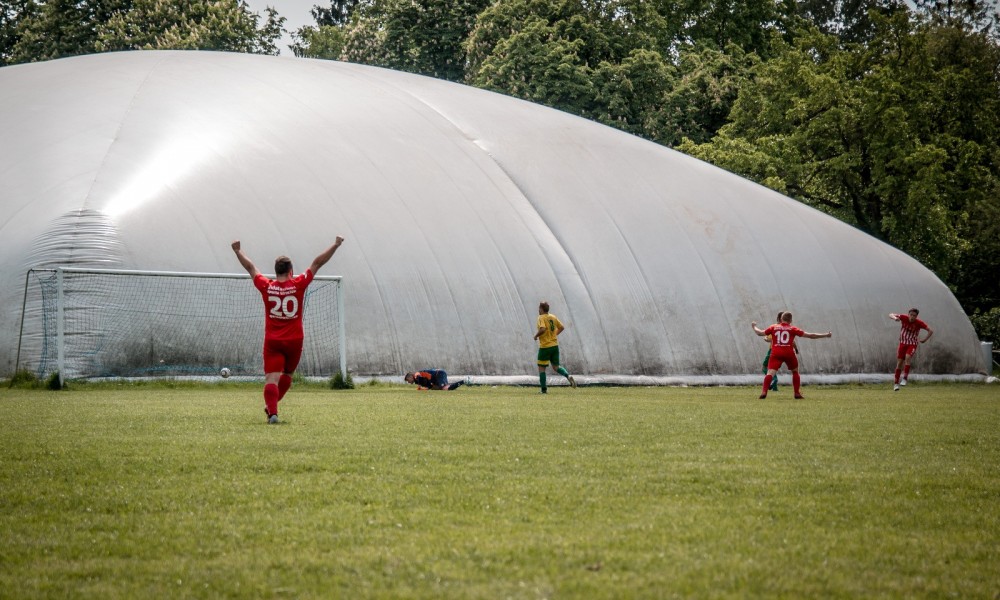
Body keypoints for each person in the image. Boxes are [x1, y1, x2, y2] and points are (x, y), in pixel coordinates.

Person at [232, 236, 345, 423]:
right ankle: (271, 407)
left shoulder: (267, 287)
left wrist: (238, 251)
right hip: (295, 340)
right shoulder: (298, 283)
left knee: (271, 379)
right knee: (288, 375)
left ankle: (273, 412)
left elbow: (251, 268)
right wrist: (336, 245)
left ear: (276, 271)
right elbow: (318, 262)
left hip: (273, 341)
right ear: (291, 271)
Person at [751, 312, 831, 400]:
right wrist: (826, 335)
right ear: (791, 320)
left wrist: (754, 326)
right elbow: (810, 335)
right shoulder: (792, 328)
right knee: (795, 372)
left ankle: (764, 391)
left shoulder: (773, 327)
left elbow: (760, 333)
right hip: (789, 353)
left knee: (770, 373)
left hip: (776, 353)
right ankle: (797, 393)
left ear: (781, 319)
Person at [534, 301, 576, 394]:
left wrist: (536, 336)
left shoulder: (541, 317)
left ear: (541, 309)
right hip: (554, 346)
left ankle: (543, 390)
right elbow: (561, 327)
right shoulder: (553, 317)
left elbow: (543, 328)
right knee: (556, 367)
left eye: (539, 308)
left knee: (541, 368)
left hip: (545, 347)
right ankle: (568, 376)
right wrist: (554, 335)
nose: (538, 310)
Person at [889, 308, 933, 391]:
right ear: (908, 314)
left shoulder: (919, 323)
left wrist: (925, 339)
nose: (912, 317)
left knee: (908, 357)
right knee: (899, 363)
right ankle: (896, 384)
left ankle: (905, 378)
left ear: (916, 316)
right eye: (911, 315)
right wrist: (896, 318)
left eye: (914, 316)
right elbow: (891, 314)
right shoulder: (904, 317)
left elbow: (930, 330)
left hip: (912, 344)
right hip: (902, 343)